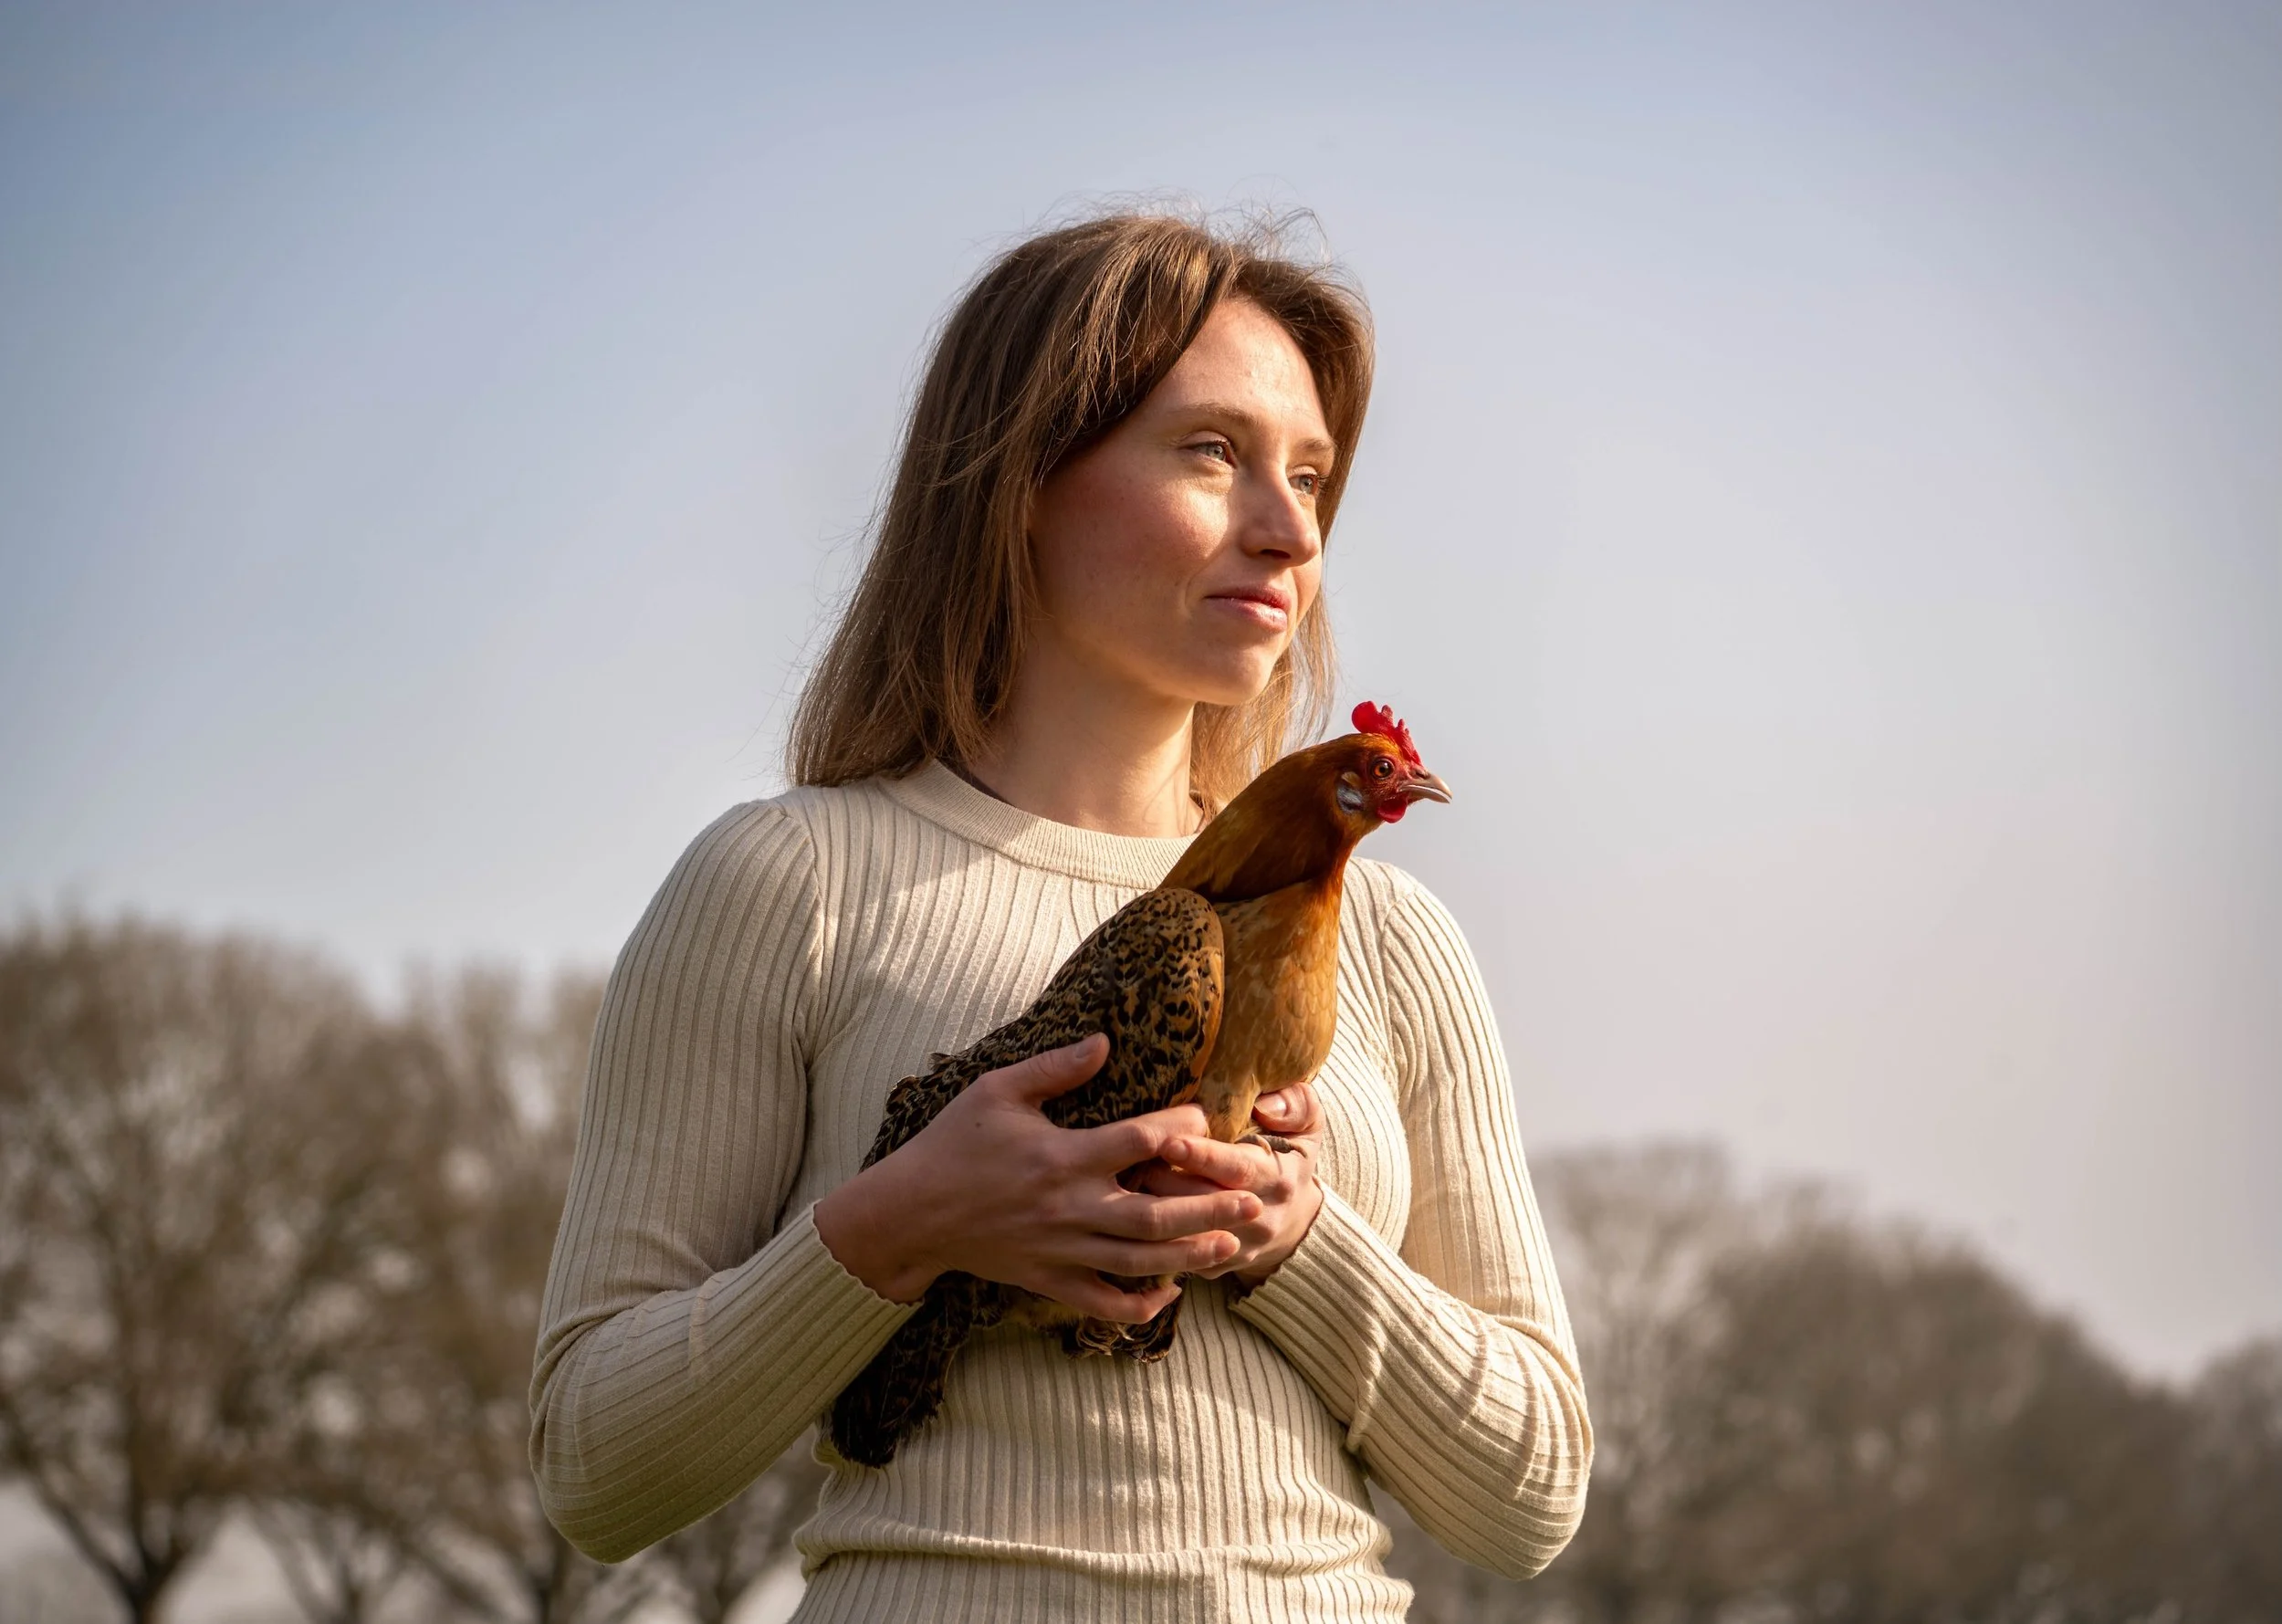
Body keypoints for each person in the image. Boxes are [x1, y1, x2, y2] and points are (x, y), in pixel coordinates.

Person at [529, 212, 1592, 1621]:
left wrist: (1294, 1237)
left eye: (1311, 474)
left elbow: (1531, 1497)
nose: (1292, 530)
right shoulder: (788, 884)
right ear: (1021, 478)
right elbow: (593, 1469)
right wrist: (899, 1229)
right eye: (1211, 451)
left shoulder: (1394, 940)